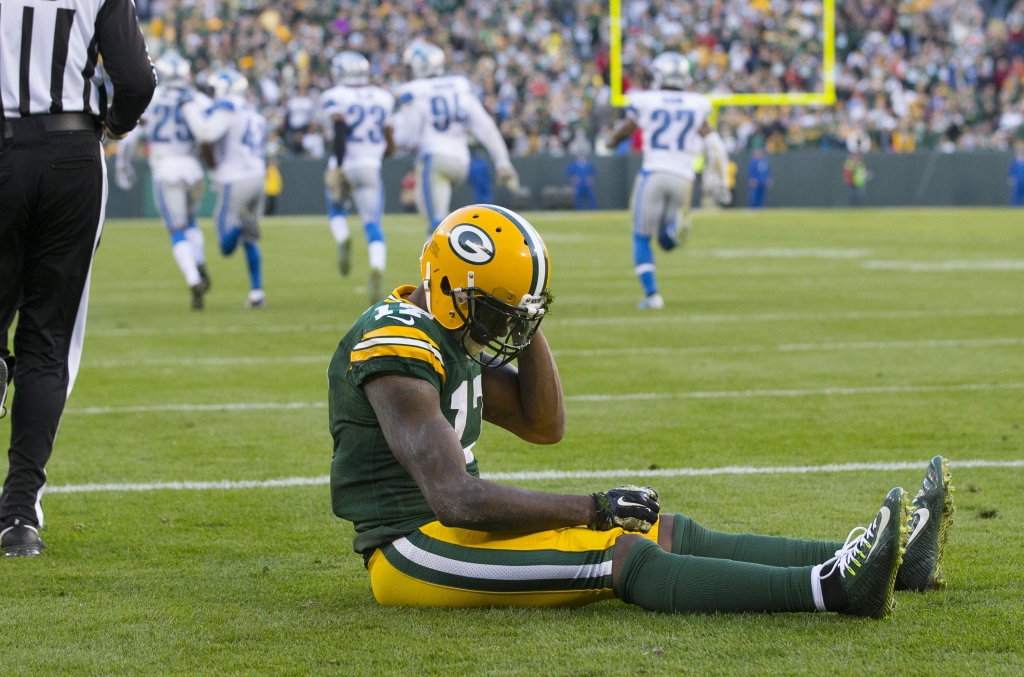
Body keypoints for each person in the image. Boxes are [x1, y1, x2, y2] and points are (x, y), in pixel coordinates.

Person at [328, 204, 956, 616]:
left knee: (666, 529)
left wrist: (528, 314)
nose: (505, 330)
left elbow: (544, 425)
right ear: (446, 289)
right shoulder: (396, 343)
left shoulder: (446, 332)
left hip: (453, 529)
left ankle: (892, 562)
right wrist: (592, 508)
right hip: (411, 551)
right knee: (622, 554)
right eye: (497, 312)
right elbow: (456, 499)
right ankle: (832, 590)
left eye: (514, 316)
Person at [0, 0, 156, 556]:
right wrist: (114, 123)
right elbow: (135, 78)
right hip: (69, 153)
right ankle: (19, 516)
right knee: (48, 338)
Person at [607, 52, 728, 310]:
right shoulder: (696, 103)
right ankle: (674, 231)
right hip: (684, 178)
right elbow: (715, 145)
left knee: (641, 236)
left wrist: (610, 141)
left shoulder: (645, 100)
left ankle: (652, 296)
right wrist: (721, 179)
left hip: (654, 172)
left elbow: (624, 130)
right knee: (664, 240)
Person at [116, 50, 213, 310]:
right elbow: (210, 131)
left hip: (166, 169)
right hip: (192, 169)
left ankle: (193, 279)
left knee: (176, 229)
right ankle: (199, 262)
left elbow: (132, 134)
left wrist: (122, 164)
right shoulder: (196, 99)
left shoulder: (153, 99)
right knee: (192, 224)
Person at [393, 41, 519, 235]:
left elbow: (405, 139)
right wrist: (502, 162)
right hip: (461, 161)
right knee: (442, 223)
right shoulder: (459, 85)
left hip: (434, 159)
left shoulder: (415, 91)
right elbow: (486, 128)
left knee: (435, 225)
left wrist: (398, 123)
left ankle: (439, 264)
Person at [183, 68, 269, 308]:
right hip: (258, 176)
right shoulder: (253, 111)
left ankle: (242, 224)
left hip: (236, 179)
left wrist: (189, 109)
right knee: (250, 240)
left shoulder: (227, 107)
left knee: (225, 245)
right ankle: (257, 293)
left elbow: (206, 134)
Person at [321, 51, 396, 303]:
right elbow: (390, 141)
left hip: (346, 162)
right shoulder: (383, 97)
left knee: (336, 209)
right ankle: (377, 266)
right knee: (372, 223)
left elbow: (339, 130)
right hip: (370, 165)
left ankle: (342, 237)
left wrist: (340, 165)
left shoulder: (335, 95)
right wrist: (374, 157)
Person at [1008, 142, 1024, 206]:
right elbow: (1011, 172)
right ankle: (1013, 207)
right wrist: (1011, 178)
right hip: (1017, 182)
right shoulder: (1014, 162)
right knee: (1015, 195)